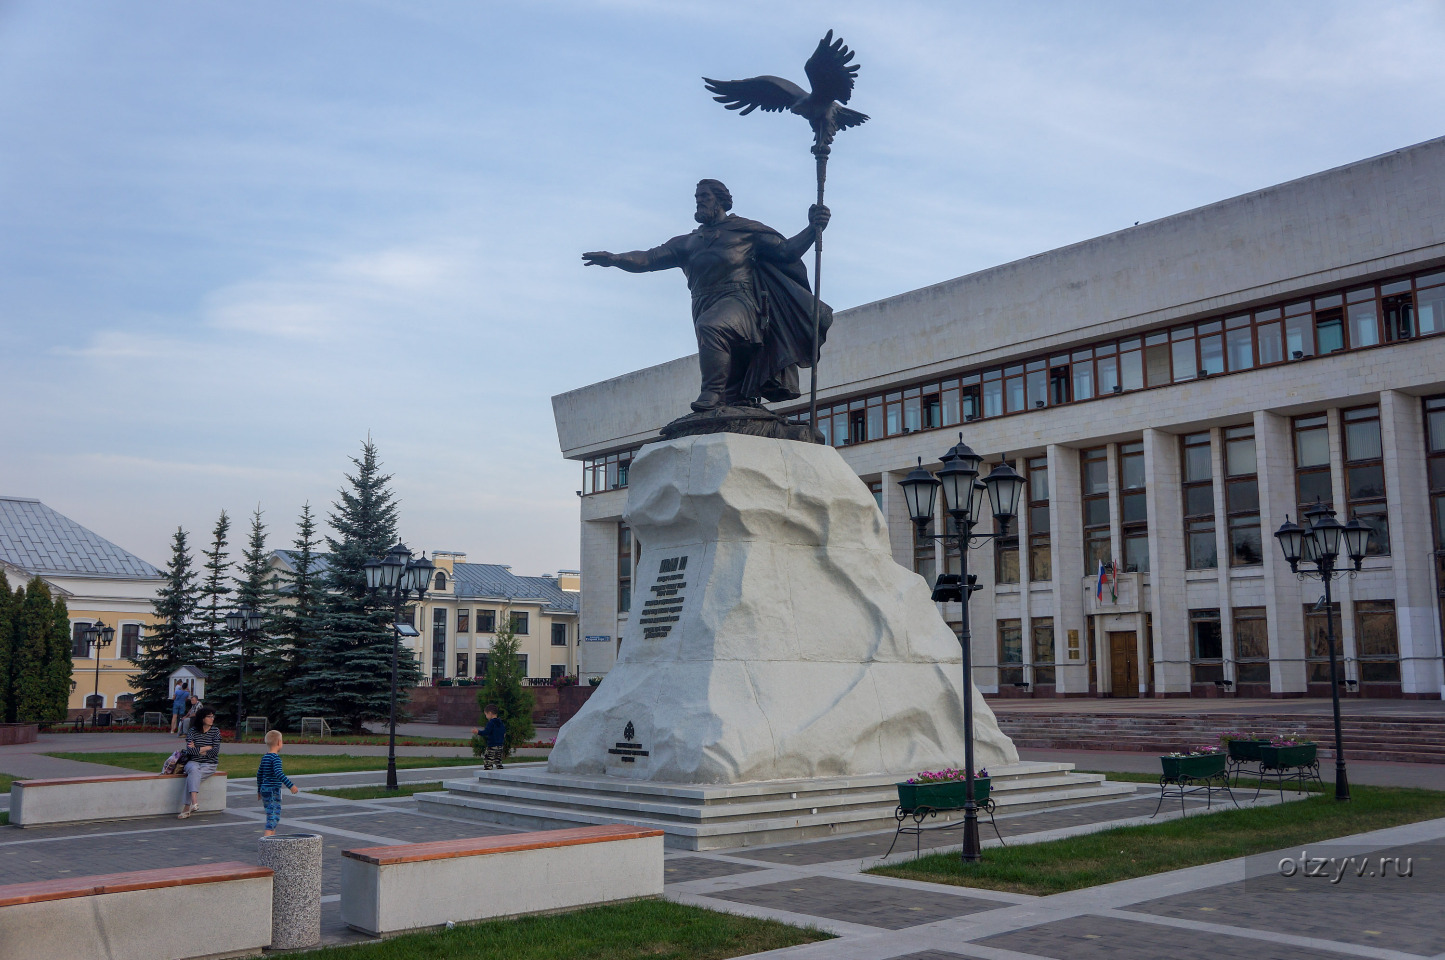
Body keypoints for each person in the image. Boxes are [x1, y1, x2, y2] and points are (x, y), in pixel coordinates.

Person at [583, 180, 831, 412]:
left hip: (740, 300)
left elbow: (787, 252)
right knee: (730, 374)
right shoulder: (688, 243)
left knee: (711, 326)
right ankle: (732, 402)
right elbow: (648, 259)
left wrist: (813, 228)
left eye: (704, 196)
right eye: (697, 198)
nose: (699, 201)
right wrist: (615, 259)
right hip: (703, 301)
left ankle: (710, 392)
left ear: (721, 201)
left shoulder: (744, 232)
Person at [178, 706, 220, 819]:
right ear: (202, 718)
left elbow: (215, 751)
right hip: (193, 761)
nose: (212, 719)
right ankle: (194, 802)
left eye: (213, 716)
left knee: (192, 776)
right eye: (209, 717)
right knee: (193, 769)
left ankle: (188, 807)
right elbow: (190, 751)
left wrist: (198, 749)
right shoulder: (193, 731)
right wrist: (207, 748)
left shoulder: (215, 731)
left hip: (209, 764)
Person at [256, 730, 298, 836]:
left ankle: (272, 842)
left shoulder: (265, 757)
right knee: (274, 817)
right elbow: (279, 773)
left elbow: (259, 774)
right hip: (273, 791)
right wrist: (291, 786)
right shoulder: (276, 758)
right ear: (279, 742)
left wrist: (259, 790)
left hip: (265, 790)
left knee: (270, 814)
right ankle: (266, 842)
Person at [479, 704, 506, 771]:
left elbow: (486, 732)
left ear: (490, 713)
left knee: (488, 761)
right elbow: (504, 733)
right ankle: (501, 771)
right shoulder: (500, 722)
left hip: (492, 745)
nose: (486, 716)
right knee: (498, 761)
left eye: (486, 714)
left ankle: (487, 772)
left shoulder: (491, 723)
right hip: (500, 746)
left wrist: (478, 732)